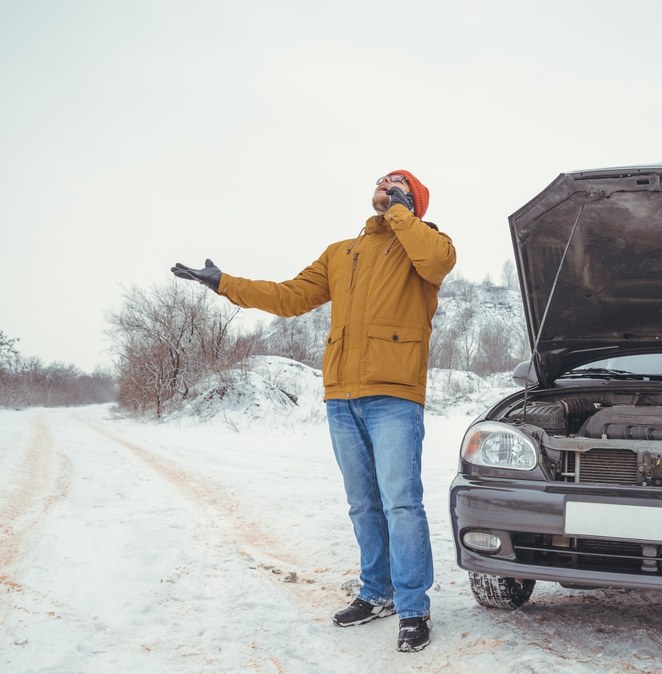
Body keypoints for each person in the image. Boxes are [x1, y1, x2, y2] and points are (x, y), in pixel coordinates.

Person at [171, 170, 455, 653]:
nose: (383, 184)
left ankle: (413, 607)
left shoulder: (426, 245)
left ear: (412, 199)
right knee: (363, 503)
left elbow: (436, 260)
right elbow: (290, 296)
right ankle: (376, 593)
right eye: (382, 181)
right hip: (341, 394)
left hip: (394, 395)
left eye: (396, 183)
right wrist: (224, 284)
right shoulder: (342, 253)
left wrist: (401, 212)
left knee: (401, 503)